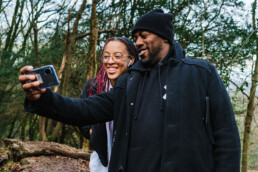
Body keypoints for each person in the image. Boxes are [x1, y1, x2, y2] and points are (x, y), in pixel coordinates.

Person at [19, 9, 241, 172]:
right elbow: (85, 109)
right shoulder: (130, 82)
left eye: (144, 36)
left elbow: (226, 136)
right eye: (135, 38)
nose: (138, 42)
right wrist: (43, 99)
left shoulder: (200, 73)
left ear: (165, 37)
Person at [80, 37, 139, 171]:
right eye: (106, 56)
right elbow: (81, 111)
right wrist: (92, 132)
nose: (110, 61)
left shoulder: (139, 87)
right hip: (101, 162)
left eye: (117, 56)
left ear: (132, 60)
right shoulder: (93, 86)